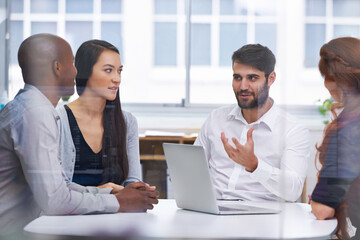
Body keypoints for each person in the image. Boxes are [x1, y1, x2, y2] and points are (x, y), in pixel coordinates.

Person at [0, 34, 158, 238]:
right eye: (72, 64)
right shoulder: (36, 113)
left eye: (119, 71)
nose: (76, 72)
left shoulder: (30, 108)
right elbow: (55, 200)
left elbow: (60, 185)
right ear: (57, 67)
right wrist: (118, 201)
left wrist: (109, 193)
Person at [194, 44, 310, 202]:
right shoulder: (216, 118)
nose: (243, 87)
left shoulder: (293, 129)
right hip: (213, 211)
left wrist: (255, 165)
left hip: (261, 217)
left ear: (271, 79)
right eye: (237, 78)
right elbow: (191, 168)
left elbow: (293, 190)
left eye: (252, 78)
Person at [57, 40, 140, 190]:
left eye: (119, 70)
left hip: (116, 213)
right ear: (84, 72)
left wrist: (139, 190)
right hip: (70, 213)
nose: (117, 79)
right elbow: (55, 188)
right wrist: (101, 192)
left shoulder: (128, 122)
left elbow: (132, 181)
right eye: (108, 70)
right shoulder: (58, 121)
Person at [310, 37, 360, 240]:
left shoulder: (349, 131)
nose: (325, 84)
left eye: (326, 76)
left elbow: (323, 210)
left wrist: (316, 200)